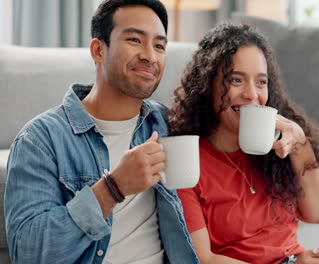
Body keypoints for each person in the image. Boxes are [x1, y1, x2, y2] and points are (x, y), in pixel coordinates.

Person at [170, 23, 319, 264]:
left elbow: (316, 212)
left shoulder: (275, 151)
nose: (252, 94)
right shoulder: (188, 161)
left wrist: (300, 142)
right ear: (208, 84)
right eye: (236, 80)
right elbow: (203, 259)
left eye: (261, 82)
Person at [4, 0, 199, 263]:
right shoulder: (40, 140)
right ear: (98, 49)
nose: (150, 56)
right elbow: (28, 254)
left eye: (159, 46)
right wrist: (112, 188)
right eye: (135, 40)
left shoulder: (166, 123)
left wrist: (274, 131)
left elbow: (227, 134)